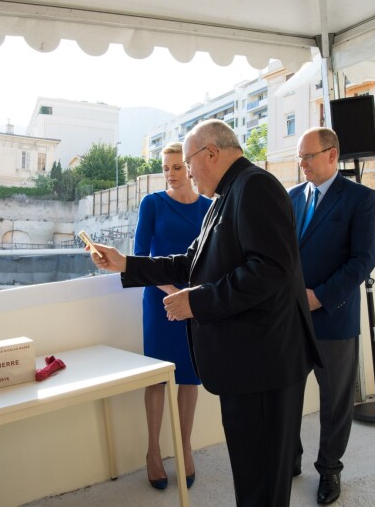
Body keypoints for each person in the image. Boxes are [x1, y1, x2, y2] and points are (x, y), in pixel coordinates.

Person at [90, 119, 320, 506]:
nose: (188, 173)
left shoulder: (255, 187)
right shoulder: (226, 196)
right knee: (252, 474)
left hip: (265, 365)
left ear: (211, 153)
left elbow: (270, 271)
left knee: (263, 479)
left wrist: (196, 301)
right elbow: (189, 263)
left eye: (189, 162)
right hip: (248, 363)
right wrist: (126, 264)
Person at [289, 127, 375, 505]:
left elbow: (362, 261)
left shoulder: (361, 199)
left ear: (332, 155)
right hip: (292, 318)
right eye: (300, 157)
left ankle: (329, 470)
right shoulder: (292, 197)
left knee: (335, 401)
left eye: (309, 156)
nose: (302, 164)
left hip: (334, 317)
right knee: (286, 393)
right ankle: (288, 458)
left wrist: (320, 297)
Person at [135, 142, 212, 489]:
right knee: (156, 377)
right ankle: (153, 452)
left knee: (190, 376)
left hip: (195, 301)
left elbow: (215, 256)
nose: (170, 173)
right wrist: (173, 294)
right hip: (161, 301)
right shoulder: (152, 203)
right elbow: (139, 258)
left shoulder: (210, 207)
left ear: (191, 167)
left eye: (177, 167)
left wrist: (194, 297)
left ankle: (184, 448)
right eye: (165, 168)